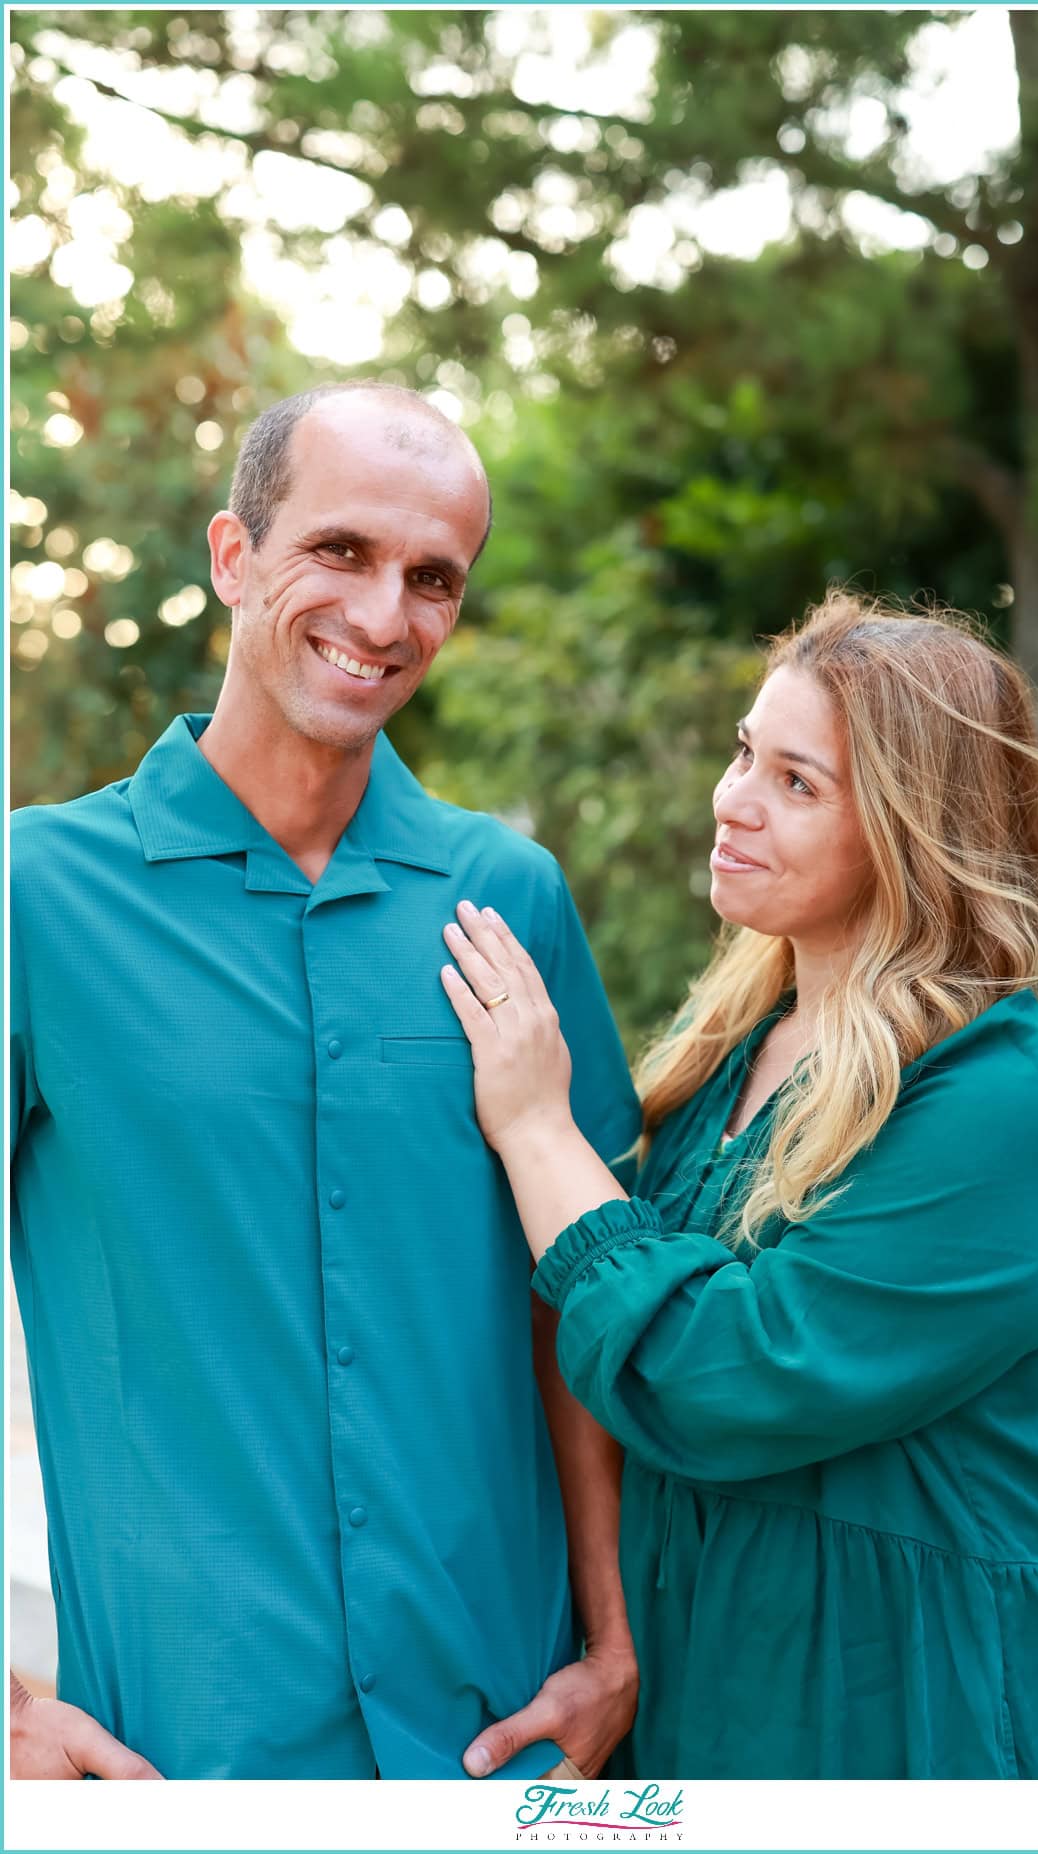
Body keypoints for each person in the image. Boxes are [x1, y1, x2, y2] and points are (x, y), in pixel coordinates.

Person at [439, 590, 1038, 1780]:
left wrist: (536, 1124)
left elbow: (718, 1377)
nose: (734, 801)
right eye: (747, 753)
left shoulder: (1008, 1106)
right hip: (733, 1697)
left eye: (798, 783)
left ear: (910, 827)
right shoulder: (738, 1050)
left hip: (932, 1718)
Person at [9, 381, 642, 1780]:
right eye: (340, 551)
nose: (383, 615)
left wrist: (614, 1646)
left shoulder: (508, 897)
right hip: (181, 1755)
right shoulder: (38, 895)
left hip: (502, 1746)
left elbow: (579, 1296)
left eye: (433, 578)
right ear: (234, 556)